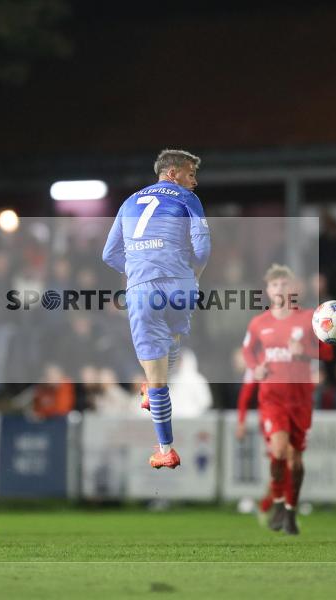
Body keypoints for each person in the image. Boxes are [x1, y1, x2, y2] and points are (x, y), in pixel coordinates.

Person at [102, 149, 210, 469]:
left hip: (143, 291)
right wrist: (192, 276)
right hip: (179, 285)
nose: (194, 181)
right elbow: (203, 249)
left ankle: (166, 449)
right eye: (191, 174)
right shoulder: (187, 198)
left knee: (156, 378)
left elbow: (109, 254)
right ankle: (152, 390)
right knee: (173, 338)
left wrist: (139, 268)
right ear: (173, 173)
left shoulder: (128, 203)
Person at [240, 266, 332, 535]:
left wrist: (305, 351)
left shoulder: (309, 319)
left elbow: (327, 353)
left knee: (295, 459)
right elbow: (247, 351)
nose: (279, 289)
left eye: (283, 284)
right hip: (272, 398)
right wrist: (255, 367)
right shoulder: (259, 323)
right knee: (279, 451)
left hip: (300, 399)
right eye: (274, 285)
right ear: (268, 290)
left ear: (292, 288)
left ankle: (291, 509)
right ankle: (279, 502)